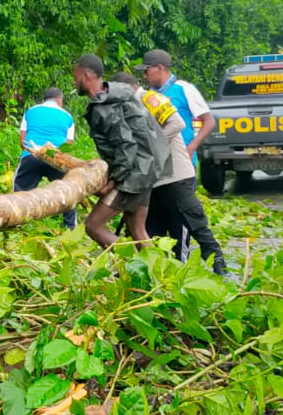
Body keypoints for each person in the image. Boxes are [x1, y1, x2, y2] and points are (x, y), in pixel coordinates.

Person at [115, 70, 227, 274]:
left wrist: (150, 146)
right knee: (152, 229)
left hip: (175, 175)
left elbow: (178, 123)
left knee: (192, 225)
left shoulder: (150, 98)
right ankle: (160, 273)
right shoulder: (131, 105)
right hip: (154, 180)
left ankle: (218, 267)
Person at [71, 54, 171, 248]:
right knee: (138, 231)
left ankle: (132, 265)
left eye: (76, 77)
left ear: (86, 76)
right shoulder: (119, 95)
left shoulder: (105, 106)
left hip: (133, 175)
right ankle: (158, 274)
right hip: (147, 168)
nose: (74, 82)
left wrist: (112, 183)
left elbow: (126, 146)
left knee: (93, 225)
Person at [141, 48, 218, 252]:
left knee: (181, 220)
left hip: (181, 167)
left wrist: (191, 146)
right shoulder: (150, 96)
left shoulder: (183, 89)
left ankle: (181, 263)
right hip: (158, 169)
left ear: (160, 68)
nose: (144, 75)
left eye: (147, 70)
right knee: (156, 222)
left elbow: (209, 121)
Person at [12, 86, 78, 229]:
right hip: (56, 159)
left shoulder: (31, 111)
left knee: (20, 192)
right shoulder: (68, 117)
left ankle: (17, 225)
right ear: (60, 100)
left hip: (31, 155)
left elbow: (22, 141)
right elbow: (68, 144)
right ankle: (70, 227)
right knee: (67, 190)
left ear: (44, 99)